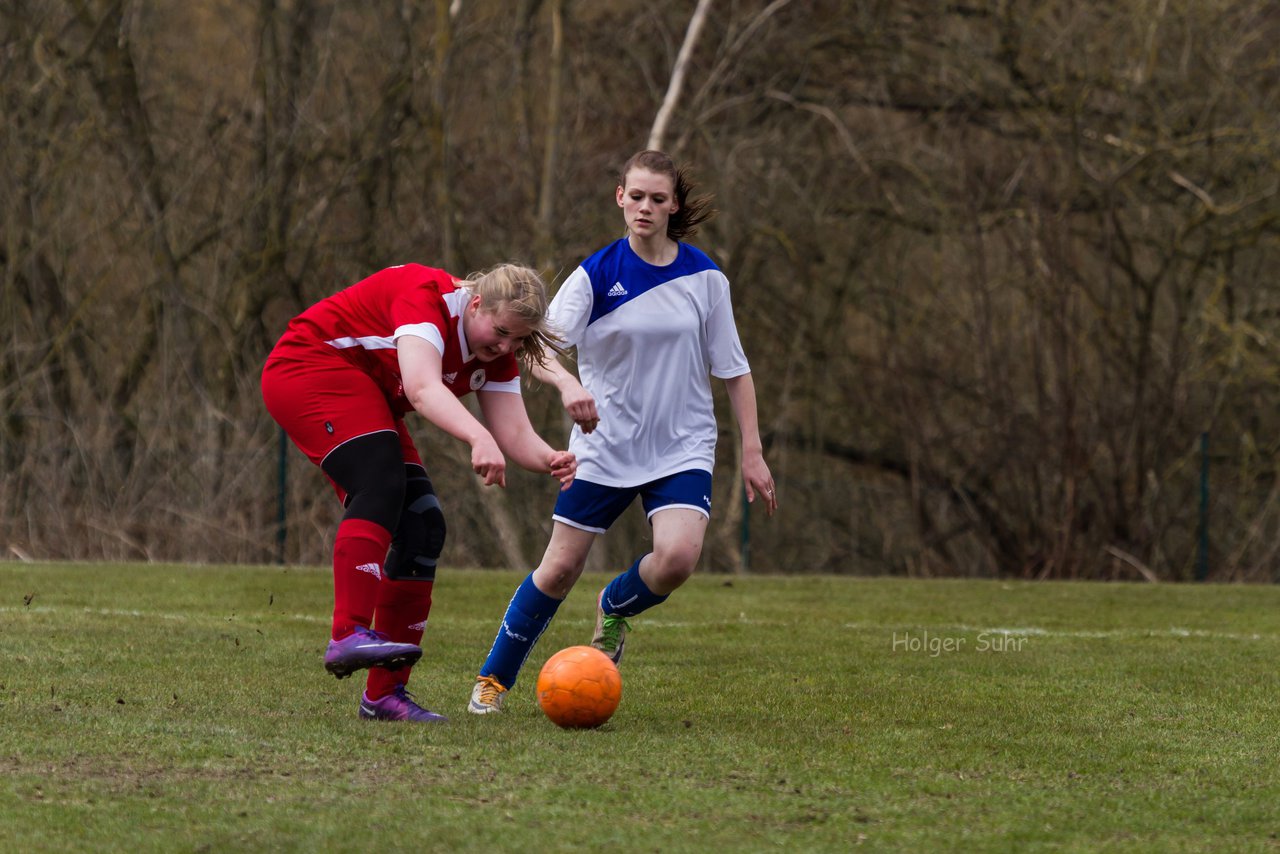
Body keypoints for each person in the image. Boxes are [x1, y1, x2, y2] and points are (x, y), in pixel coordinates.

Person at [467, 150, 776, 715]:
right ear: (619, 197)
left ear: (673, 205)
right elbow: (535, 350)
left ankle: (614, 605)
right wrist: (566, 385)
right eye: (636, 196)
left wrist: (751, 451)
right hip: (605, 448)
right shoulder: (595, 276)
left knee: (678, 559)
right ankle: (493, 680)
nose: (645, 208)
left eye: (658, 199)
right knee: (558, 569)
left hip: (682, 446)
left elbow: (734, 368)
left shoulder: (706, 278)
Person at [261, 262, 577, 723]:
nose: (507, 346)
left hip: (366, 392)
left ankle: (385, 697)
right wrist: (476, 436)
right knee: (380, 482)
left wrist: (550, 458)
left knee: (424, 526)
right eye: (502, 331)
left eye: (519, 340)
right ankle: (347, 632)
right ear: (475, 304)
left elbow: (512, 432)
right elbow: (423, 388)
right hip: (309, 366)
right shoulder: (425, 297)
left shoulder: (497, 352)